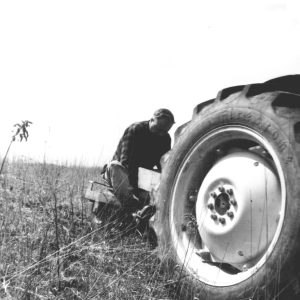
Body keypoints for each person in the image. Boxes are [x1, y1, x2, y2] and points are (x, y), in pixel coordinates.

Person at [101, 108, 175, 219]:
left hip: (142, 178)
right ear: (151, 120)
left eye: (164, 131)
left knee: (162, 175)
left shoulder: (165, 138)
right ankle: (133, 208)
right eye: (158, 129)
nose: (160, 134)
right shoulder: (135, 130)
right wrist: (138, 190)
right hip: (121, 175)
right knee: (115, 166)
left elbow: (163, 166)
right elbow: (126, 162)